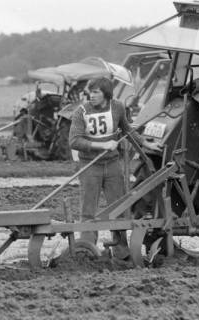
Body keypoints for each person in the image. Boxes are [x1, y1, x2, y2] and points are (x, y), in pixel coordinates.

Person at [69, 77, 144, 259]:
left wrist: (145, 144)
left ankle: (121, 251)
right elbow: (74, 141)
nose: (91, 96)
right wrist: (101, 145)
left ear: (106, 94)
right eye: (90, 92)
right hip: (89, 166)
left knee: (118, 207)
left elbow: (127, 130)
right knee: (88, 212)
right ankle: (86, 251)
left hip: (112, 165)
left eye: (95, 92)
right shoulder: (81, 112)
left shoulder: (117, 107)